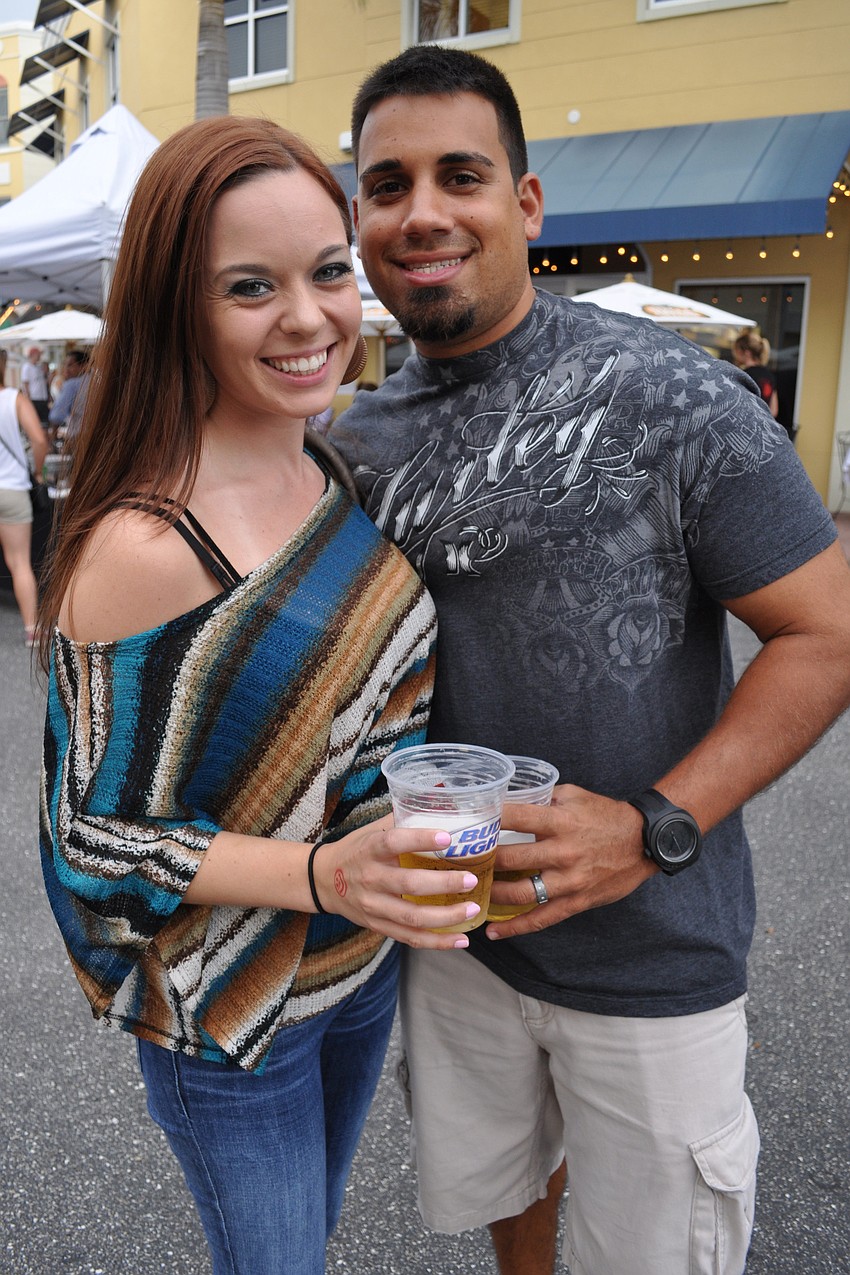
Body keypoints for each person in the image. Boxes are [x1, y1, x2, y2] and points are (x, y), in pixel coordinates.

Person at [330, 44, 850, 1275]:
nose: (422, 212)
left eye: (460, 174)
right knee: (511, 1202)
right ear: (359, 217)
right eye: (386, 184)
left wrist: (653, 827)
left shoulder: (672, 395)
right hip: (456, 942)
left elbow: (823, 632)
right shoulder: (352, 439)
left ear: (524, 202)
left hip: (652, 949)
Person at [36, 115, 484, 1275]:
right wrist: (321, 872)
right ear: (177, 307)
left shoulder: (326, 465)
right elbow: (89, 837)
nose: (309, 317)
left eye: (329, 271)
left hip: (359, 969)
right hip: (232, 1008)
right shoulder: (142, 541)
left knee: (306, 1242)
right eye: (250, 287)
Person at [0, 349, 48, 646]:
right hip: (13, 489)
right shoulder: (14, 399)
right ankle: (32, 629)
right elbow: (39, 439)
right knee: (19, 563)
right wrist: (39, 473)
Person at [732, 329, 780, 420]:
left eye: (736, 351)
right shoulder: (770, 376)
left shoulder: (743, 375)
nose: (735, 355)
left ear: (747, 353)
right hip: (763, 424)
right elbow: (774, 410)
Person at [47, 348, 90, 440]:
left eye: (70, 365)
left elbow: (57, 415)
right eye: (65, 365)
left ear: (83, 366)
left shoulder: (72, 384)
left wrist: (53, 436)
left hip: (78, 437)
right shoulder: (96, 381)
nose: (65, 369)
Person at [20, 345, 51, 424]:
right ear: (33, 355)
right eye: (38, 354)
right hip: (34, 398)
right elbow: (25, 383)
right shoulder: (27, 367)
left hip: (43, 397)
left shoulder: (39, 367)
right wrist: (28, 397)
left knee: (44, 421)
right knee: (37, 421)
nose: (39, 356)